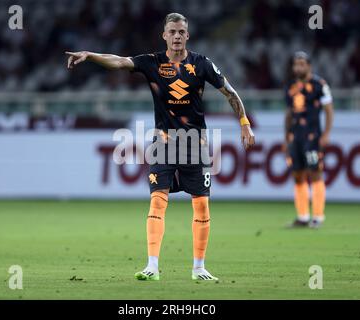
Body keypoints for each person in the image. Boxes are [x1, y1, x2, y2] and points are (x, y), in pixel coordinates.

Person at [66, 13, 255, 281]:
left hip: (195, 143)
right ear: (164, 35)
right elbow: (119, 62)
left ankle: (199, 268)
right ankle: (152, 266)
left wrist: (244, 123)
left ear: (187, 36)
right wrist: (90, 54)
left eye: (181, 32)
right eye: (172, 32)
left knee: (201, 205)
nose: (177, 36)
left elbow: (230, 92)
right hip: (163, 142)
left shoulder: (201, 64)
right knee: (157, 201)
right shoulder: (152, 62)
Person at [284, 51, 334, 229]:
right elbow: (289, 114)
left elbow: (329, 110)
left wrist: (326, 133)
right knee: (298, 175)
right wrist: (286, 139)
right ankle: (303, 216)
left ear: (309, 66)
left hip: (312, 136)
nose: (298, 67)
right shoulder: (290, 87)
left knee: (315, 172)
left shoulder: (320, 85)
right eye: (296, 64)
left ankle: (318, 216)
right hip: (295, 136)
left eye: (302, 64)